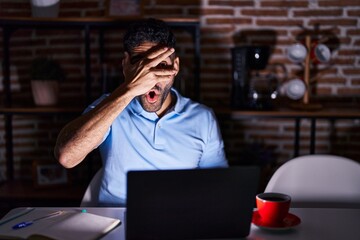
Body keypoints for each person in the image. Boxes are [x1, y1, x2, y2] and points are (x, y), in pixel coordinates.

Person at [54, 18, 228, 207]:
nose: (150, 78)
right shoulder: (109, 106)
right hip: (116, 218)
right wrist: (129, 90)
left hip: (176, 218)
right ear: (126, 66)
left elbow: (218, 184)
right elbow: (66, 157)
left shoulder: (203, 118)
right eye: (140, 66)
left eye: (160, 65)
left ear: (175, 67)